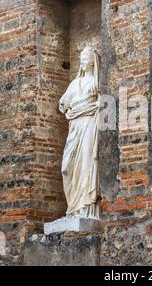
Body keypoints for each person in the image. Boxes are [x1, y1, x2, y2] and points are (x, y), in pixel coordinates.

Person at [59, 45, 101, 219]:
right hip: (75, 125)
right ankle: (73, 208)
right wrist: (68, 107)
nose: (83, 61)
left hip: (89, 124)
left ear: (93, 61)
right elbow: (62, 104)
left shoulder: (96, 83)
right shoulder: (74, 83)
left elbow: (104, 103)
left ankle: (86, 209)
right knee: (67, 167)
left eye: (86, 58)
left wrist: (98, 100)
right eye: (81, 58)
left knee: (86, 163)